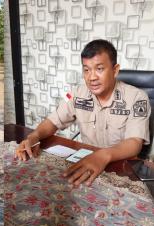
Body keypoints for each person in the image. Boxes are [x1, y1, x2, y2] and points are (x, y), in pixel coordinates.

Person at [15, 39, 151, 188]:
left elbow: (135, 143)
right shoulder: (77, 94)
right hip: (87, 163)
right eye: (86, 70)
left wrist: (103, 155)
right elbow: (53, 121)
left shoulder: (138, 98)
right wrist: (33, 137)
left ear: (115, 70)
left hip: (122, 170)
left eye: (99, 69)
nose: (91, 77)